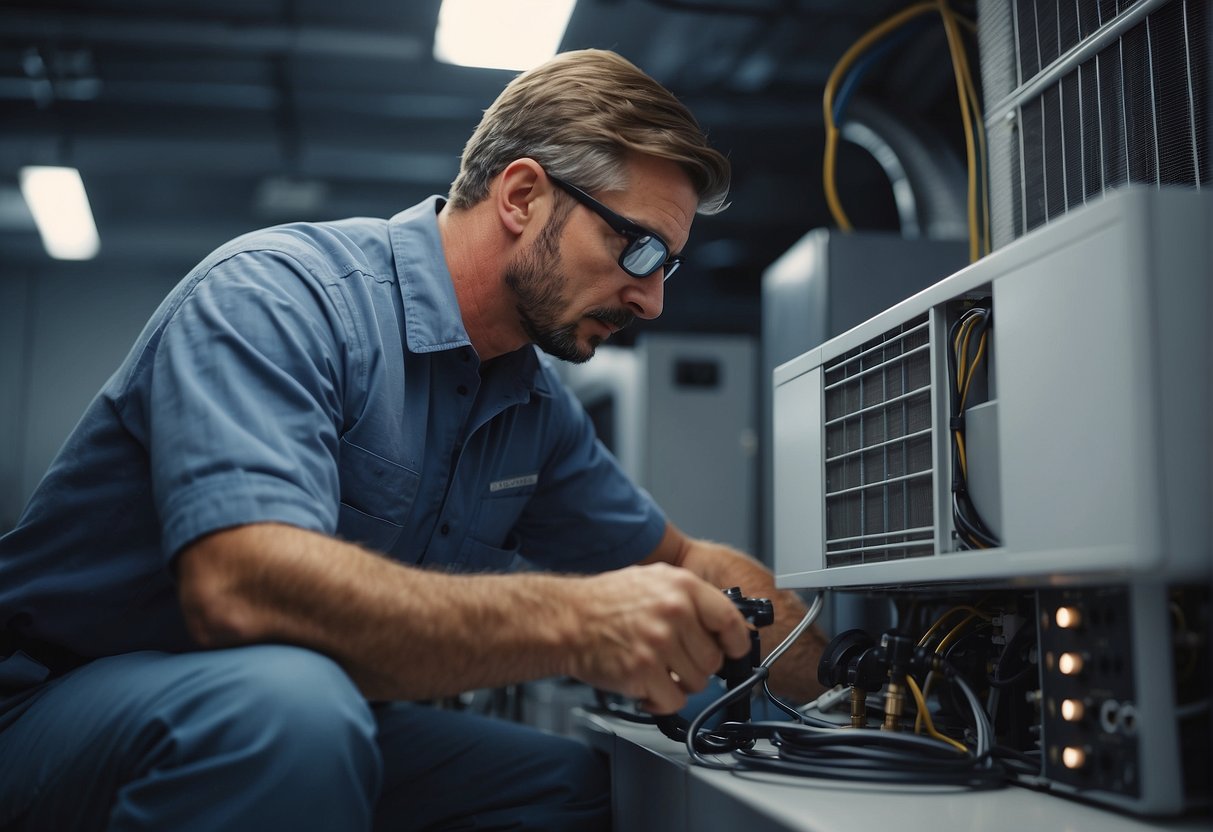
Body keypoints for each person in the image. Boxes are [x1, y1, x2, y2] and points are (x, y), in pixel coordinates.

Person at [0, 49, 824, 830]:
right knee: (288, 712)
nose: (651, 301)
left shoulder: (529, 405)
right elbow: (240, 590)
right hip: (60, 705)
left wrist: (840, 687)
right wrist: (577, 622)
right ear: (521, 196)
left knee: (577, 791)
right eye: (636, 247)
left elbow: (680, 566)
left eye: (667, 266)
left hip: (298, 711)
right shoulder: (279, 299)